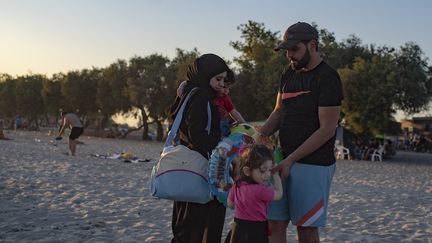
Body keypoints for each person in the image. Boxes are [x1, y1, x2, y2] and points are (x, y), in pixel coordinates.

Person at [258, 22, 343, 243]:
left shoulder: (328, 78)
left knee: (306, 228)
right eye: (286, 50)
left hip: (313, 164)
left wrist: (291, 160)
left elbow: (327, 129)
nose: (289, 55)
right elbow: (279, 111)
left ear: (312, 45)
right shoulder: (288, 73)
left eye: (294, 49)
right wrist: (258, 139)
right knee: (274, 223)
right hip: (280, 160)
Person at [168, 53, 232, 243]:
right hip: (201, 168)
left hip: (186, 168)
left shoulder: (191, 94)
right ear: (205, 76)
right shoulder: (202, 97)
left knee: (185, 226)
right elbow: (197, 134)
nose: (222, 83)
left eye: (224, 79)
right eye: (218, 79)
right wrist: (222, 147)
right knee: (201, 226)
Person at [225, 144, 283, 243]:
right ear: (247, 171)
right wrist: (276, 175)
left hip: (238, 230)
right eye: (263, 170)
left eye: (270, 169)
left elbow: (230, 204)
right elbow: (279, 194)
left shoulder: (237, 185)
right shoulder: (261, 190)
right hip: (256, 232)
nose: (268, 174)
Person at [177, 71, 246, 137]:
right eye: (224, 87)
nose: (226, 91)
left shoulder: (225, 98)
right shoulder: (207, 93)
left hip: (223, 122)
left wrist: (244, 124)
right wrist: (181, 87)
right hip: (209, 125)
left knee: (228, 132)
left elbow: (233, 112)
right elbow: (191, 81)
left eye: (229, 88)